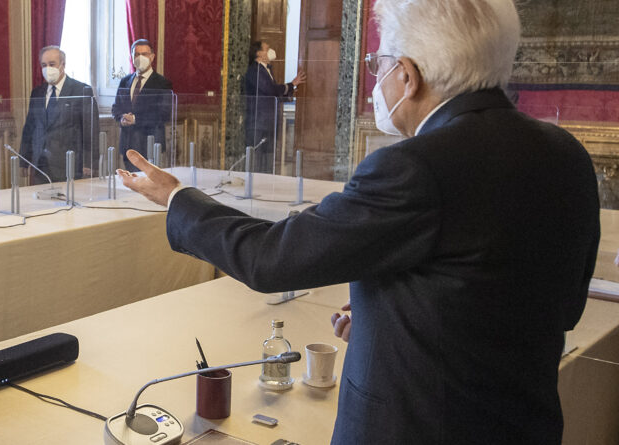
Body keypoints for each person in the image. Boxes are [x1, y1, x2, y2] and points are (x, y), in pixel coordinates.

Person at [117, 0, 600, 443]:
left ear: (407, 76)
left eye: (376, 66)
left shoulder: (416, 166)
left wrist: (177, 197)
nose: (374, 81)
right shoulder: (564, 153)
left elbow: (271, 259)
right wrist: (388, 311)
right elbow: (551, 305)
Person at [20, 46, 98, 184]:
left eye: (52, 64)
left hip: (68, 164)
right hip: (40, 165)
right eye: (44, 65)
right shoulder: (37, 92)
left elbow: (90, 129)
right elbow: (29, 127)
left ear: (63, 65)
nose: (47, 68)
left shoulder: (81, 90)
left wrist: (89, 162)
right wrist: (23, 160)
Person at [112, 39, 173, 172]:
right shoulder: (125, 81)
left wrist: (135, 119)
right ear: (132, 57)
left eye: (144, 54)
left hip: (150, 144)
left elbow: (164, 114)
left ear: (152, 57)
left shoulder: (162, 83)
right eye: (136, 54)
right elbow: (116, 107)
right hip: (128, 144)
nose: (140, 58)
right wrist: (122, 117)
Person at [244, 41, 305, 173]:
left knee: (268, 156)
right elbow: (269, 89)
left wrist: (289, 94)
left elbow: (271, 95)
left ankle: (265, 181)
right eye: (267, 48)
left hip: (269, 121)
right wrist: (290, 84)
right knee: (257, 157)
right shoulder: (254, 71)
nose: (271, 51)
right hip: (258, 122)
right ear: (259, 53)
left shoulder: (267, 69)